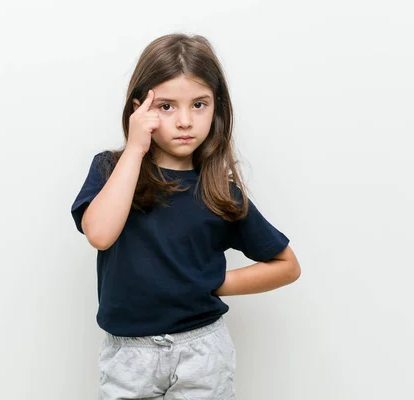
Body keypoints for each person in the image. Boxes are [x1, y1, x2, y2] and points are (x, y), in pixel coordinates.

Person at [70, 33, 301, 400]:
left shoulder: (218, 190)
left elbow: (287, 265)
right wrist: (134, 149)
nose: (183, 121)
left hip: (202, 351)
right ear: (138, 111)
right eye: (166, 106)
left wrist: (213, 282)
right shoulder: (111, 169)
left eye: (198, 104)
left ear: (216, 108)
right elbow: (99, 234)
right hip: (129, 357)